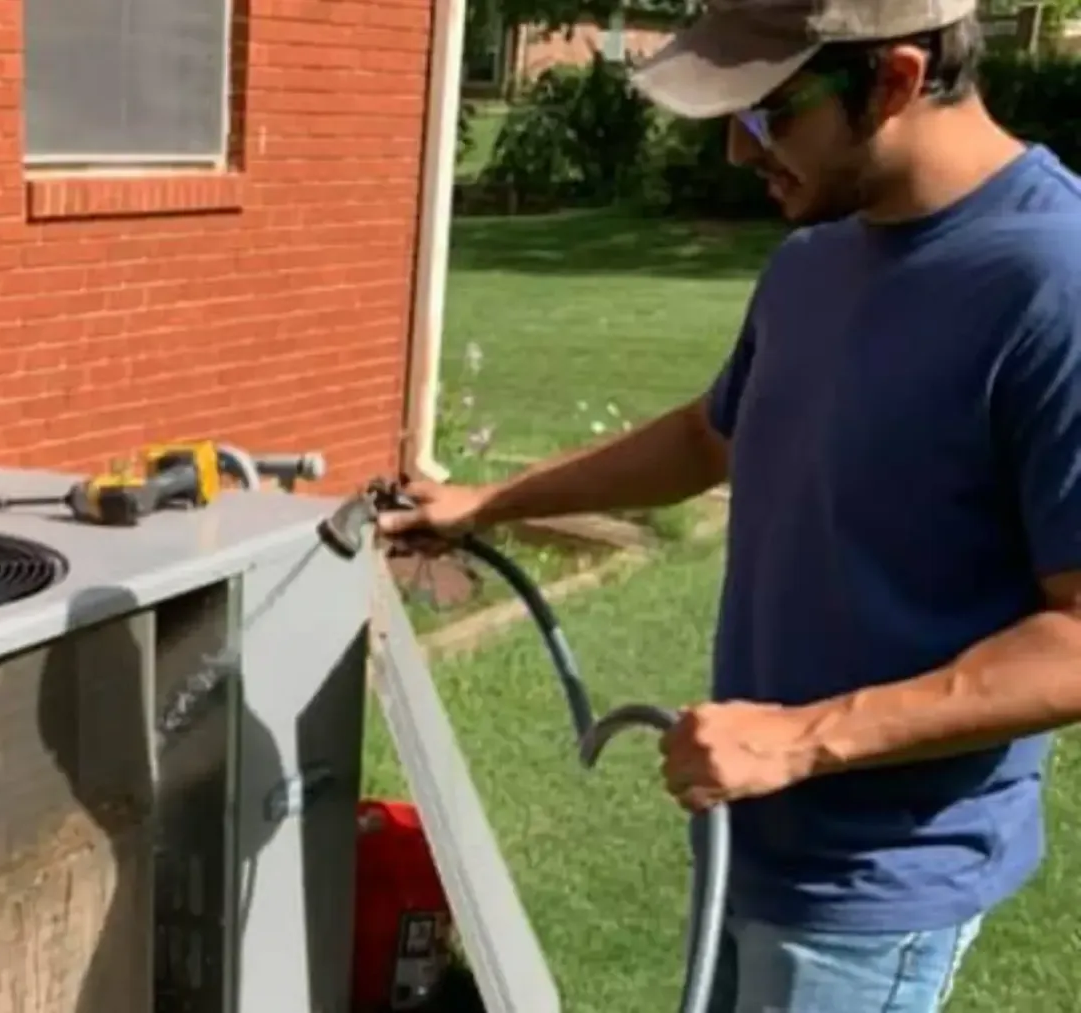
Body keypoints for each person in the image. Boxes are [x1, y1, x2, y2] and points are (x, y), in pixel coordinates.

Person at [376, 0, 1081, 1010]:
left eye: (765, 114)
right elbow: (714, 433)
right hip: (748, 827)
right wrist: (488, 499)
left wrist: (799, 737)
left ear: (895, 79)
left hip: (874, 878)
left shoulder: (1055, 281)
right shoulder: (816, 258)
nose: (736, 150)